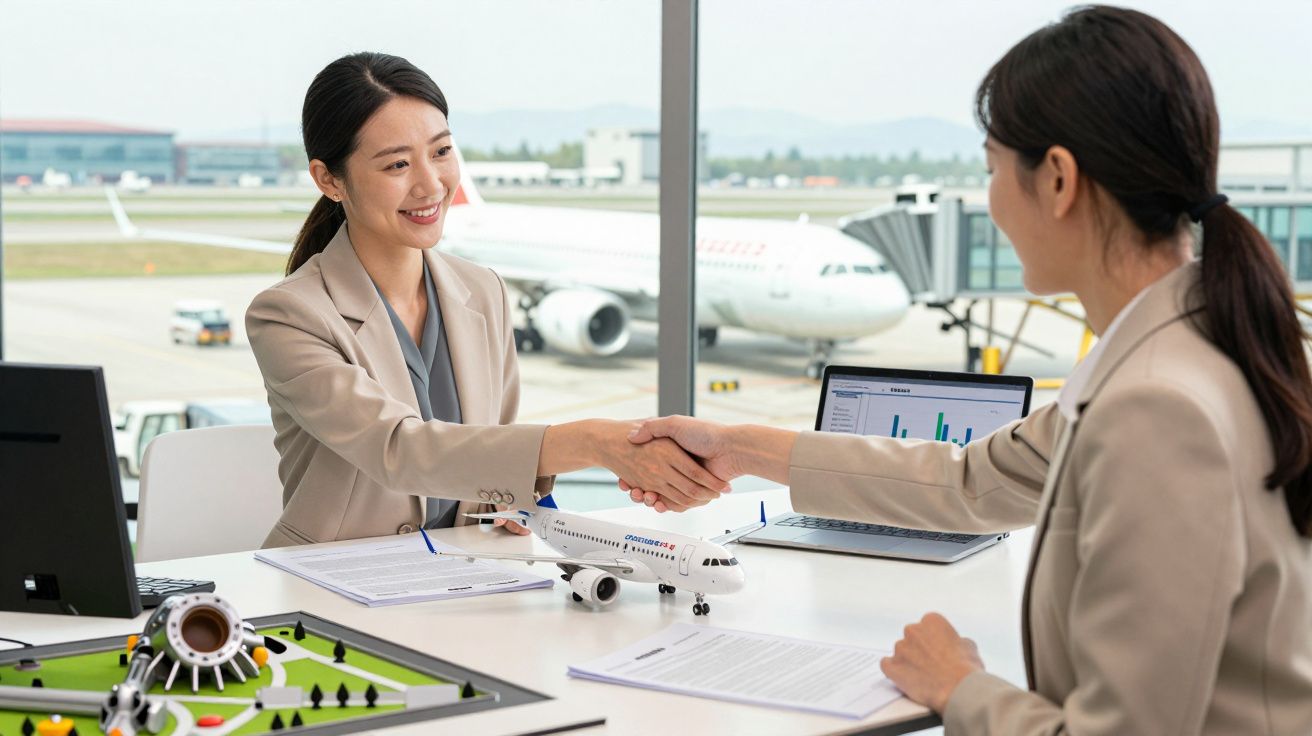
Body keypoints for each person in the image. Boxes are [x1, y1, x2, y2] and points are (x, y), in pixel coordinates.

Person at [622, 7, 1312, 734]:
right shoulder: (1186, 343)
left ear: (1057, 180)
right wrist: (741, 449)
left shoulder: (1158, 407)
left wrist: (960, 687)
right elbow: (966, 481)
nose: (988, 201)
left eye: (990, 170)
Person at [247, 52, 725, 548]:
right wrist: (594, 442)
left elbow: (491, 451)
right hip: (329, 580)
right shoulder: (288, 315)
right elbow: (399, 450)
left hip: (467, 574)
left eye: (441, 152)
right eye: (396, 164)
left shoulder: (483, 291)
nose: (431, 185)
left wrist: (510, 503)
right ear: (329, 180)